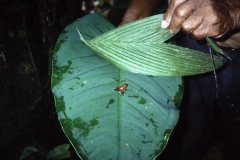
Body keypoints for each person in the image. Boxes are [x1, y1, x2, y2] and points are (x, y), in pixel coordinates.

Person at [120, 0, 240, 159]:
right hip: (187, 45)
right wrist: (134, 17)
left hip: (234, 46)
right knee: (187, 135)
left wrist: (233, 14)